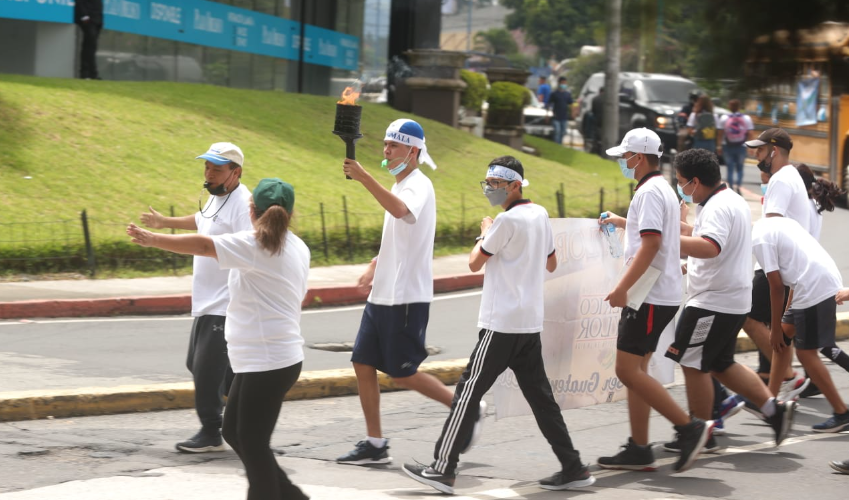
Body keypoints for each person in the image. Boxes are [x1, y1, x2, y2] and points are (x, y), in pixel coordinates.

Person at [402, 156, 595, 495]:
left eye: (496, 184)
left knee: (466, 394)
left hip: (501, 324)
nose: (490, 189)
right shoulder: (539, 215)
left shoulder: (506, 222)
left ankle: (443, 467)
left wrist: (484, 233)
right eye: (488, 183)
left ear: (515, 185)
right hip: (527, 325)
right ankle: (573, 466)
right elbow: (552, 263)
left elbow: (475, 263)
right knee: (541, 400)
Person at [128, 178, 311, 500]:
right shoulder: (297, 246)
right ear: (290, 213)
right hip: (271, 359)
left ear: (251, 209)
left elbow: (203, 246)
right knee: (234, 433)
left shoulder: (254, 245)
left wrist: (153, 239)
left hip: (266, 362)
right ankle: (293, 496)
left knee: (252, 442)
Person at [336, 119, 483, 465]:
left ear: (413, 152)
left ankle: (466, 407)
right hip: (383, 294)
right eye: (385, 145)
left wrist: (364, 177)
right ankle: (375, 444)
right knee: (362, 362)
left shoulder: (418, 185)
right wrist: (375, 263)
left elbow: (401, 212)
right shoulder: (400, 185)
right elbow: (401, 235)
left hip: (405, 297)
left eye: (394, 146)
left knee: (402, 372)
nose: (386, 151)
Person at [664, 149, 796, 453]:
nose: (681, 187)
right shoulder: (730, 199)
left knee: (691, 361)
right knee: (721, 365)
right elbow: (705, 237)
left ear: (696, 181)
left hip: (712, 302)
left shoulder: (716, 208)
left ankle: (700, 431)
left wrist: (664, 239)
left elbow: (710, 247)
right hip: (733, 300)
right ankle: (774, 412)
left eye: (683, 181)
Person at [597, 128, 713, 473]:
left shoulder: (649, 192)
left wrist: (622, 288)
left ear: (639, 157)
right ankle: (640, 447)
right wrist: (623, 223)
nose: (622, 161)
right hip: (658, 292)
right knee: (637, 371)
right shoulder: (659, 188)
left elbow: (650, 245)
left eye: (624, 156)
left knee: (627, 369)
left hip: (648, 294)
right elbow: (652, 234)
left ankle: (689, 429)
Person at [140, 143, 253, 453]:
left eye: (216, 169)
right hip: (206, 301)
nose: (208, 172)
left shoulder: (244, 204)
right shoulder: (216, 198)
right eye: (206, 167)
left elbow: (249, 245)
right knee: (200, 363)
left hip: (226, 302)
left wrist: (157, 239)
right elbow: (202, 220)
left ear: (235, 172)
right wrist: (166, 222)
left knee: (206, 369)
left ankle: (212, 430)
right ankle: (248, 411)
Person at [751, 216, 849, 432]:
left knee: (806, 353)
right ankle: (771, 402)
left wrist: (774, 327)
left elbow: (776, 286)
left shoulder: (758, 240)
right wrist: (785, 319)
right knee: (784, 341)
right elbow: (795, 269)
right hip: (812, 281)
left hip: (814, 286)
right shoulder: (776, 224)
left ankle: (842, 413)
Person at [743, 129, 811, 401]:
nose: (756, 156)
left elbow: (772, 227)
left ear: (774, 150)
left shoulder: (781, 180)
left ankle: (787, 377)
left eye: (760, 151)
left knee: (748, 318)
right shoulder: (790, 176)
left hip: (778, 265)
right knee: (777, 330)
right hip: (787, 265)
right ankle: (774, 391)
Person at [795, 165, 849, 396]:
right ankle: (811, 379)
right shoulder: (810, 206)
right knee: (806, 340)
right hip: (811, 280)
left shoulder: (804, 208)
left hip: (813, 283)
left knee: (819, 344)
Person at [717, 99, 754, 192]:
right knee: (740, 168)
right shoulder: (746, 118)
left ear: (729, 107)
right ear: (739, 107)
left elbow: (720, 133)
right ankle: (738, 186)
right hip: (742, 146)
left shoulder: (724, 118)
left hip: (727, 145)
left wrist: (719, 146)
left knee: (730, 168)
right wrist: (751, 147)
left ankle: (731, 188)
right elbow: (750, 133)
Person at [74, 0, 104, 80]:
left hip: (97, 19)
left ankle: (87, 73)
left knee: (90, 46)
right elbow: (79, 2)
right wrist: (84, 16)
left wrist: (100, 20)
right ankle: (91, 73)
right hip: (87, 18)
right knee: (90, 45)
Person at [546, 77, 573, 146]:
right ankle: (556, 145)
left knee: (563, 132)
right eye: (563, 83)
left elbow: (571, 104)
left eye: (565, 83)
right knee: (557, 131)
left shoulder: (567, 94)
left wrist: (573, 113)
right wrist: (547, 114)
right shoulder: (554, 94)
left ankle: (560, 144)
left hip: (564, 116)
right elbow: (549, 104)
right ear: (559, 83)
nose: (564, 84)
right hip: (556, 116)